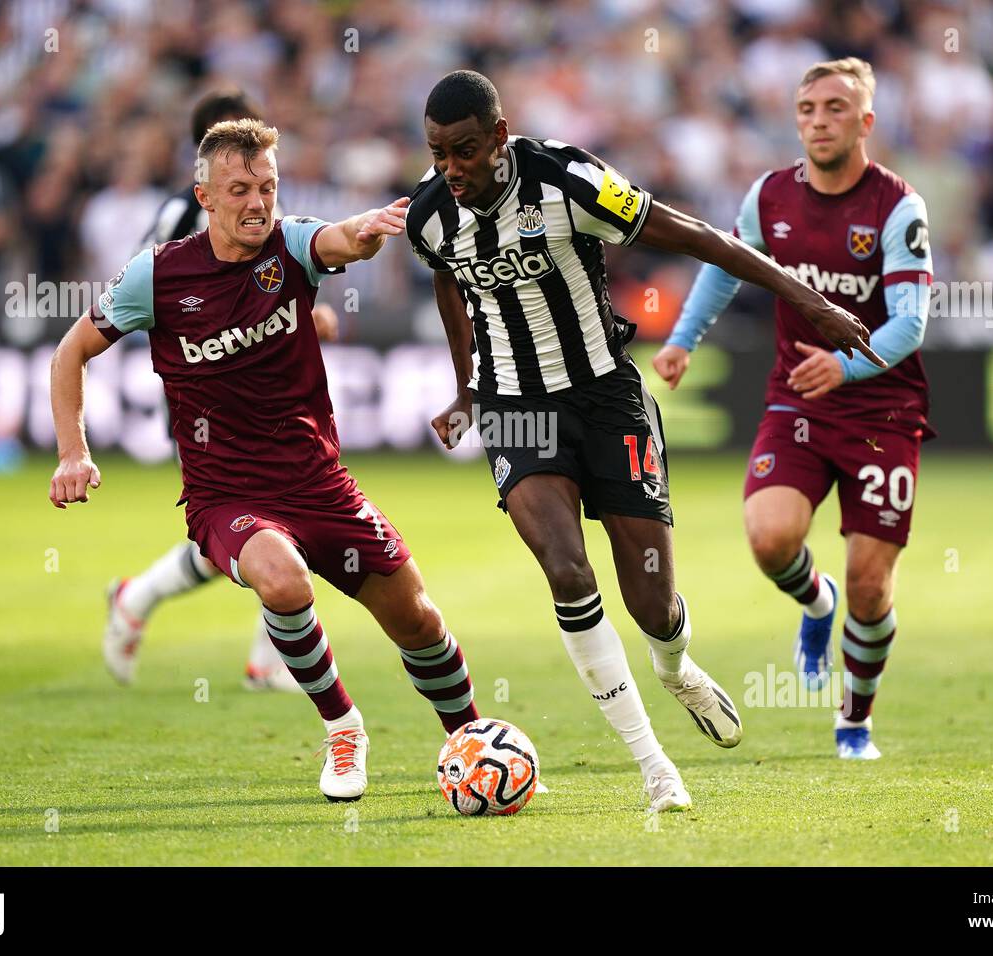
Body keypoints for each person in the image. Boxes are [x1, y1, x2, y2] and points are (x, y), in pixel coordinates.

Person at [407, 71, 880, 811]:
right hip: (517, 410)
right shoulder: (433, 214)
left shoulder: (569, 179)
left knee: (653, 604)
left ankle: (676, 669)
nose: (452, 170)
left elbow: (696, 236)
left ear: (500, 137)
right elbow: (447, 282)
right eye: (438, 153)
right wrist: (469, 388)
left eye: (465, 151)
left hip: (607, 400)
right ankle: (655, 767)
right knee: (566, 571)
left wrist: (807, 299)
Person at [49, 119, 479, 801]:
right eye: (241, 189)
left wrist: (367, 230)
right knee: (283, 583)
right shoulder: (157, 275)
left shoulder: (292, 244)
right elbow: (70, 351)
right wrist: (73, 453)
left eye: (268, 187)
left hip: (318, 481)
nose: (257, 202)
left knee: (418, 621)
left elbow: (343, 239)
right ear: (206, 197)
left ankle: (473, 741)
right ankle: (343, 728)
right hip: (227, 494)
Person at [654, 58, 933, 760]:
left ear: (865, 122)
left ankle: (854, 721)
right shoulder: (770, 197)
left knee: (873, 584)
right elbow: (724, 265)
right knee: (770, 539)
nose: (819, 120)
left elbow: (911, 322)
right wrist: (683, 339)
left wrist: (842, 365)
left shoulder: (897, 208)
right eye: (807, 108)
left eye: (835, 108)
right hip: (799, 399)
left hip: (882, 410)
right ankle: (816, 602)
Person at [102, 89, 340, 693]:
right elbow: (148, 296)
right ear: (204, 165)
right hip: (208, 391)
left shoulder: (260, 216)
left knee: (274, 515)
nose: (250, 177)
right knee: (261, 516)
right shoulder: (182, 220)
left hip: (259, 386)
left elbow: (263, 284)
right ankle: (257, 651)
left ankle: (250, 647)